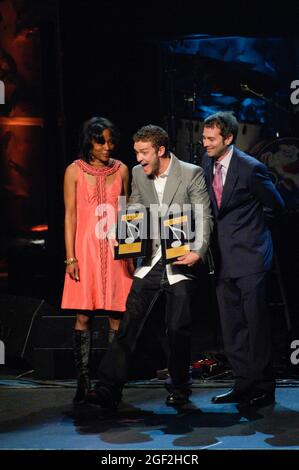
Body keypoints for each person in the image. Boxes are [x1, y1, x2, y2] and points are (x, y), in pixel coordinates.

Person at [86, 124, 213, 409]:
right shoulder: (137, 174)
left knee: (177, 328)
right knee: (129, 324)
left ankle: (180, 386)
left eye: (144, 152)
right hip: (152, 261)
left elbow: (203, 215)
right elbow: (135, 208)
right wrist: (125, 233)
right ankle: (108, 387)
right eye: (136, 152)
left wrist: (198, 252)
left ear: (161, 150)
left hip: (181, 259)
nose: (139, 158)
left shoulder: (191, 173)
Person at [201, 111, 285, 407]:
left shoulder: (251, 168)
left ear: (228, 138)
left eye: (211, 139)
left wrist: (254, 235)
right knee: (232, 324)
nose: (205, 144)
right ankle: (243, 382)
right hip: (223, 259)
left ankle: (263, 385)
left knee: (256, 323)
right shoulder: (207, 164)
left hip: (251, 257)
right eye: (204, 138)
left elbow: (276, 206)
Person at [61, 116, 133, 404]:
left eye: (110, 140)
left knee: (117, 316)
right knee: (83, 315)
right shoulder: (74, 171)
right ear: (89, 142)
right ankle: (83, 382)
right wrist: (70, 257)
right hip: (85, 251)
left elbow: (129, 213)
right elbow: (70, 215)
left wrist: (129, 251)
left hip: (116, 253)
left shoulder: (122, 170)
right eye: (100, 140)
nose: (107, 146)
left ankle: (111, 384)